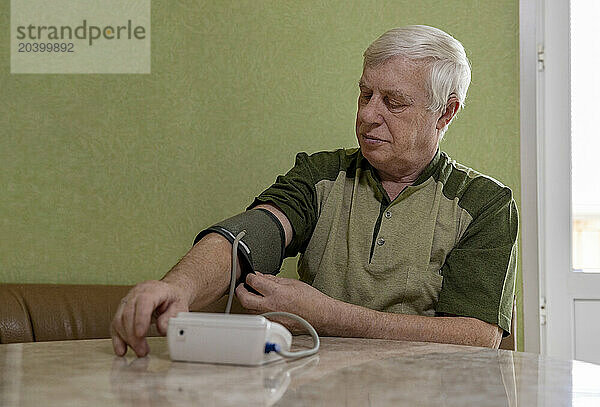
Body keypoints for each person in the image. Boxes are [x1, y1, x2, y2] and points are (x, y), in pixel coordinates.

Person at [111, 25, 518, 357]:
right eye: (365, 94)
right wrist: (177, 286)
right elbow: (256, 232)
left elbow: (477, 336)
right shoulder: (322, 173)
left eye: (393, 102)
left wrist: (329, 316)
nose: (367, 115)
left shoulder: (486, 205)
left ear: (445, 112)